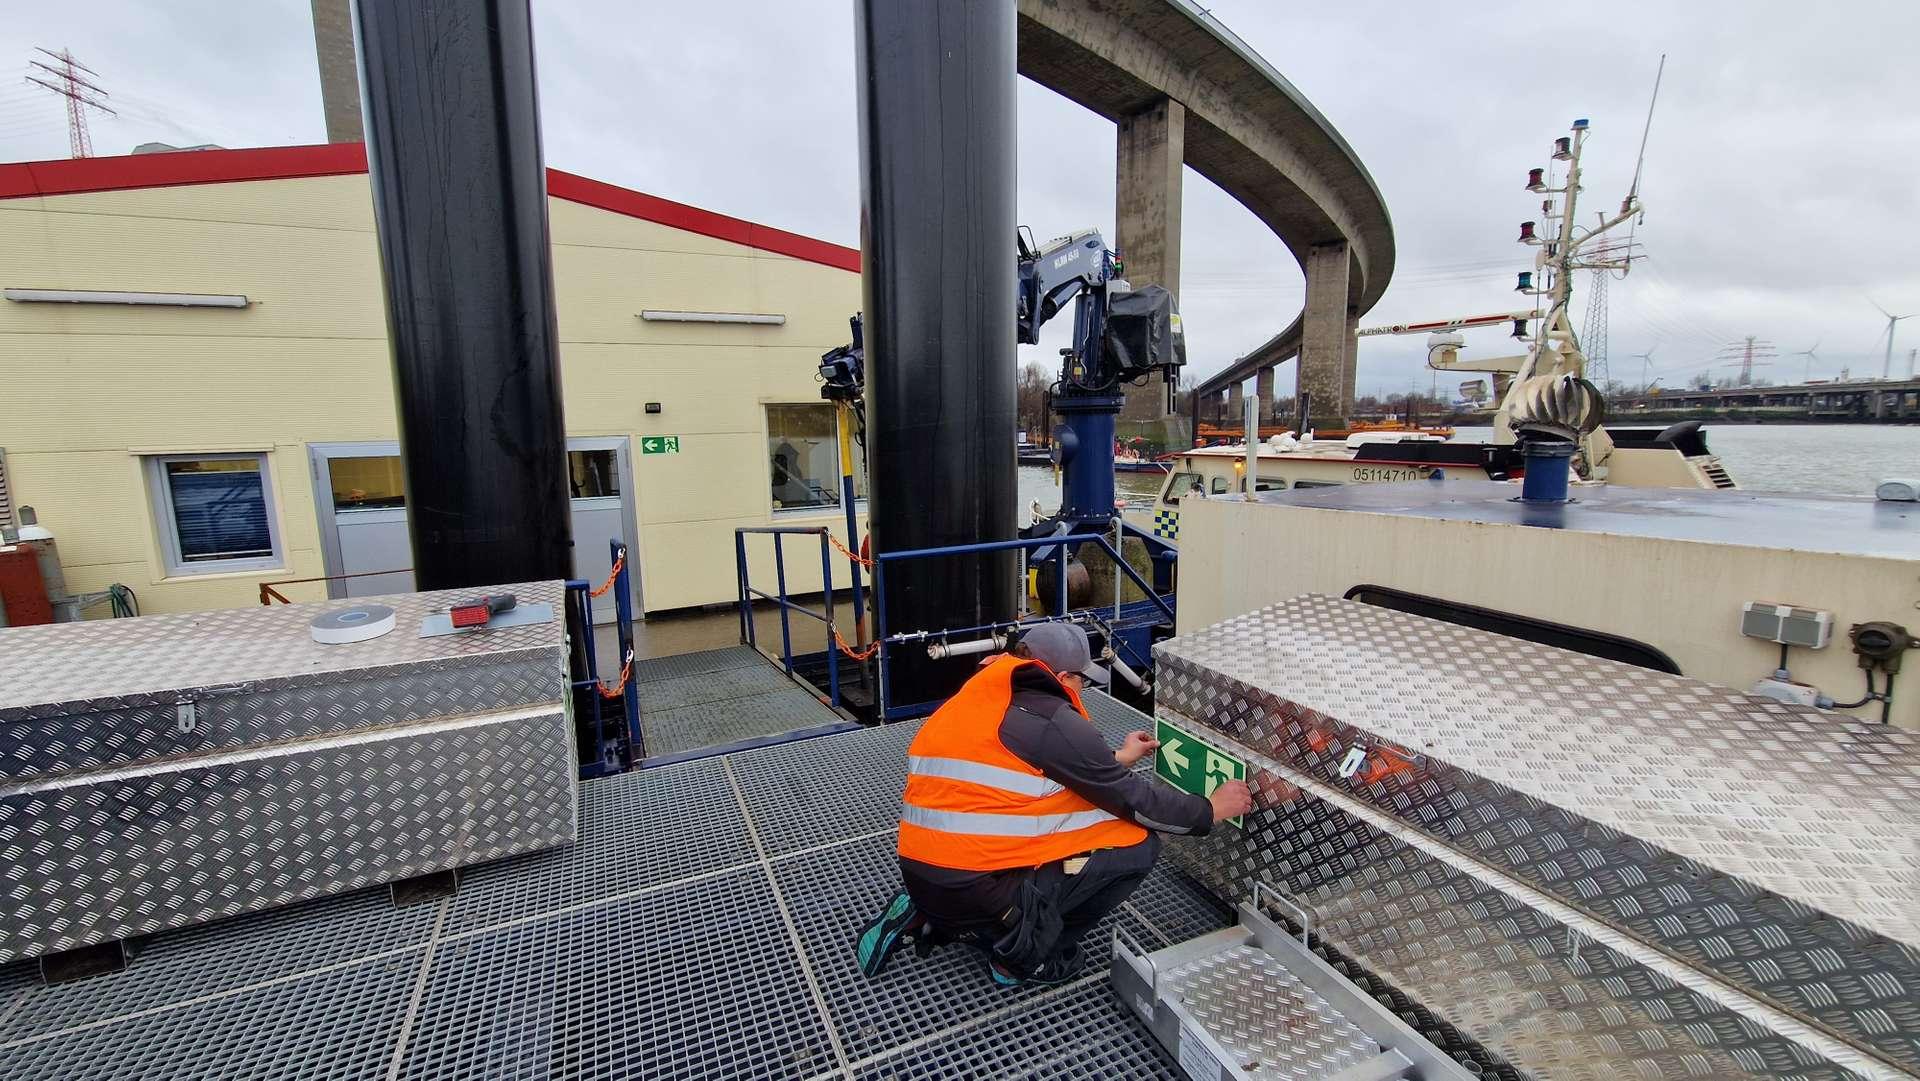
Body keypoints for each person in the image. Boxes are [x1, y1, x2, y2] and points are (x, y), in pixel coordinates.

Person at [855, 623, 1254, 987]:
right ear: (1063, 678)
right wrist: (1210, 810)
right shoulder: (1047, 718)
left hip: (921, 864)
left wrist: (1116, 758)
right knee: (1138, 843)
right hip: (974, 884)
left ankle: (929, 910)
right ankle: (1024, 955)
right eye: (1082, 679)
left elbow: (1022, 769)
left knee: (1057, 832)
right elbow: (1135, 800)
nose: (1082, 689)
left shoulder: (979, 697)